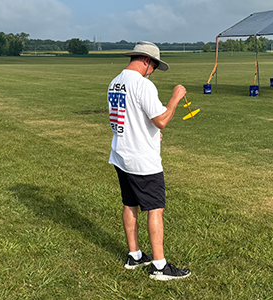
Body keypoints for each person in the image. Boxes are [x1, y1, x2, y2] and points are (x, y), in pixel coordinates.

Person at [107, 41, 191, 281]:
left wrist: (151, 132)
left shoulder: (115, 82)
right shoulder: (143, 85)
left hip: (121, 154)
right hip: (142, 160)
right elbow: (161, 119)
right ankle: (159, 266)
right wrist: (175, 97)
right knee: (155, 208)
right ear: (146, 61)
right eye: (154, 66)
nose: (152, 71)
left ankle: (134, 256)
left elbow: (125, 118)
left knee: (129, 204)